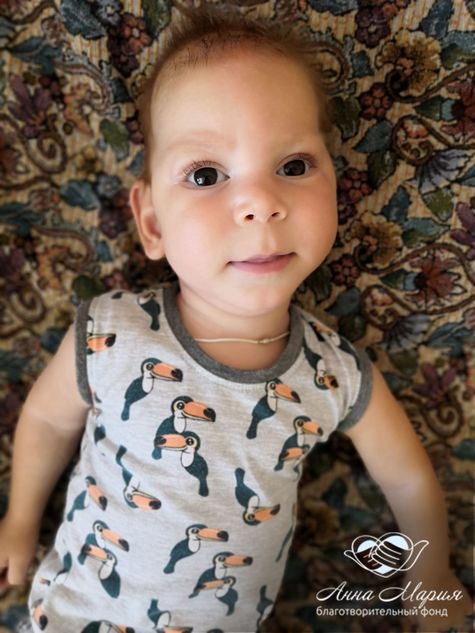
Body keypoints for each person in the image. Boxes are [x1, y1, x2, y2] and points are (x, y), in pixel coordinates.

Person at [0, 6, 471, 633]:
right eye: (206, 175)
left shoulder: (333, 374)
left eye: (293, 166)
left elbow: (408, 478)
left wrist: (428, 575)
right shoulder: (112, 334)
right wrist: (20, 520)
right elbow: (47, 419)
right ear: (152, 223)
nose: (259, 203)